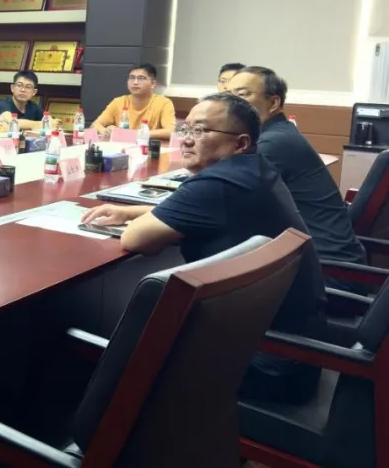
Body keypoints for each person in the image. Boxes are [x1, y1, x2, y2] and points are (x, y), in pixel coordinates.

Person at [82, 93, 326, 404]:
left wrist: (138, 221)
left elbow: (135, 239)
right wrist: (130, 211)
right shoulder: (252, 170)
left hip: (264, 363)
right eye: (185, 129)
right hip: (293, 350)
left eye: (201, 130)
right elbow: (209, 210)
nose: (186, 139)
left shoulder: (218, 183)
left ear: (240, 143)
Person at [227, 66, 368, 293]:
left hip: (325, 277)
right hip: (322, 265)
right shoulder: (278, 134)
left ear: (274, 103)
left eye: (243, 95)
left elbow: (221, 198)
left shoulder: (272, 144)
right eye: (227, 95)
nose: (230, 103)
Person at [90, 63, 176, 140]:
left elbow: (170, 132)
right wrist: (105, 131)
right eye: (132, 78)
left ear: (153, 84)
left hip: (146, 147)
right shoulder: (118, 102)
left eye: (141, 78)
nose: (135, 82)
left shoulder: (164, 103)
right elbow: (95, 125)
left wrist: (133, 134)